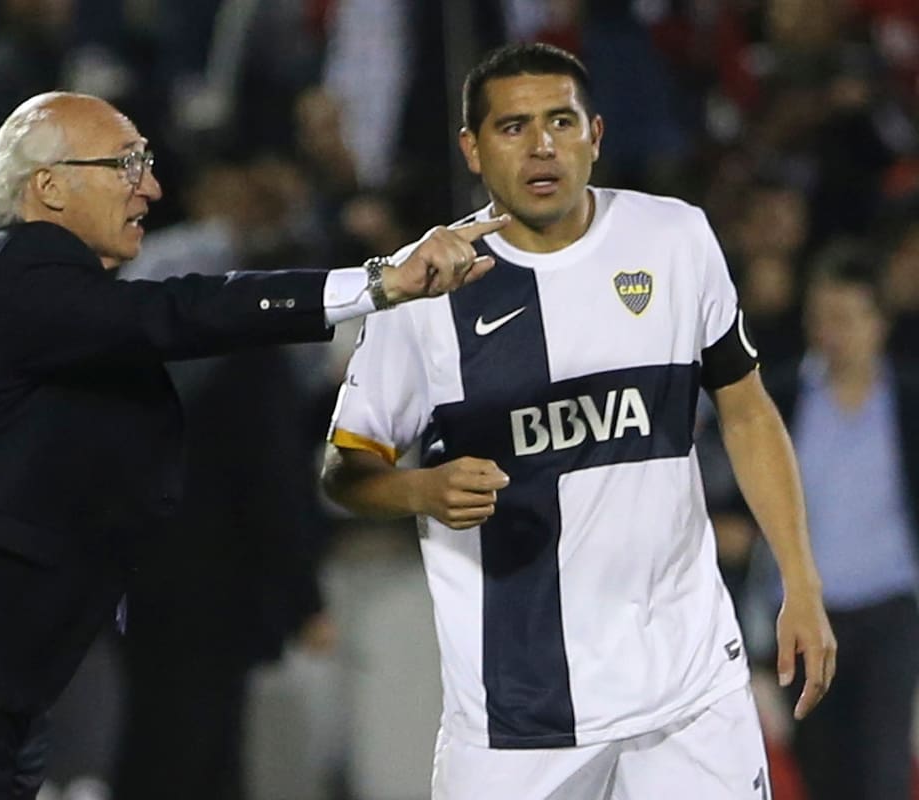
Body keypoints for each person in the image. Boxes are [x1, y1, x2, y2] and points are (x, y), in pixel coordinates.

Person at [0, 90, 507, 799]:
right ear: (48, 186)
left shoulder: (58, 316)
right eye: (125, 164)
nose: (151, 185)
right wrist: (374, 284)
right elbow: (181, 312)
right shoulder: (5, 266)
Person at [322, 43, 836, 799]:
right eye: (513, 127)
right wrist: (420, 491)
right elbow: (345, 470)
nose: (542, 146)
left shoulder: (675, 239)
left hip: (688, 688)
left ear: (595, 134)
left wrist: (801, 580)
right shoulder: (426, 287)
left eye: (561, 121)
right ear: (472, 148)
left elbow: (748, 410)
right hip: (515, 717)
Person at [753, 243, 919, 800]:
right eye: (821, 318)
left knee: (882, 775)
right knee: (820, 776)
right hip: (805, 619)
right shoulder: (781, 399)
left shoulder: (908, 402)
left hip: (890, 611)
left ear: (879, 321)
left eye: (846, 318)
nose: (832, 333)